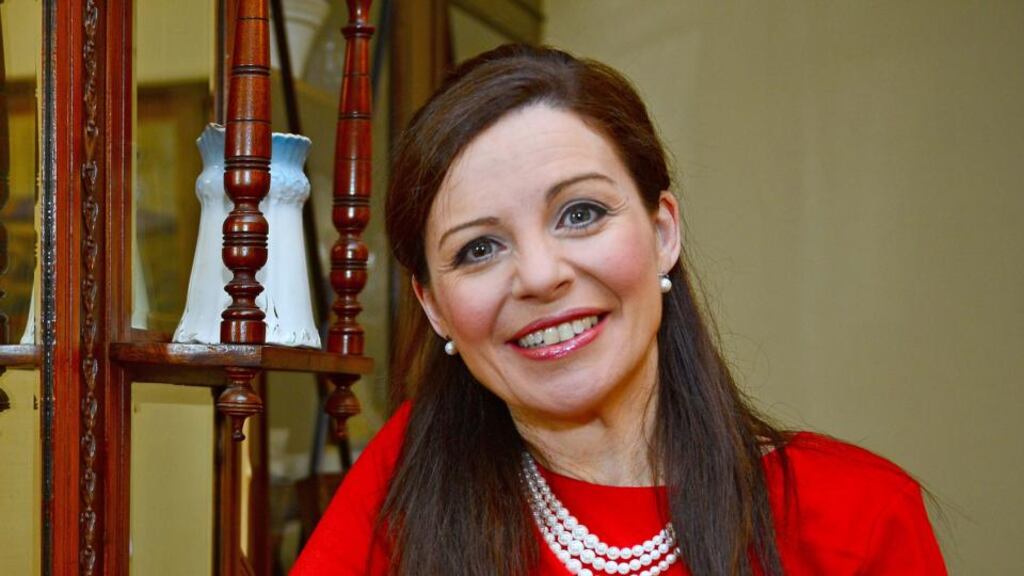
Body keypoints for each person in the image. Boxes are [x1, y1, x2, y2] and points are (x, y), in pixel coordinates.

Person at [292, 44, 946, 575]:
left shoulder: (860, 516)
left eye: (581, 213)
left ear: (663, 232)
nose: (541, 276)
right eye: (479, 248)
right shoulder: (409, 481)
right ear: (433, 306)